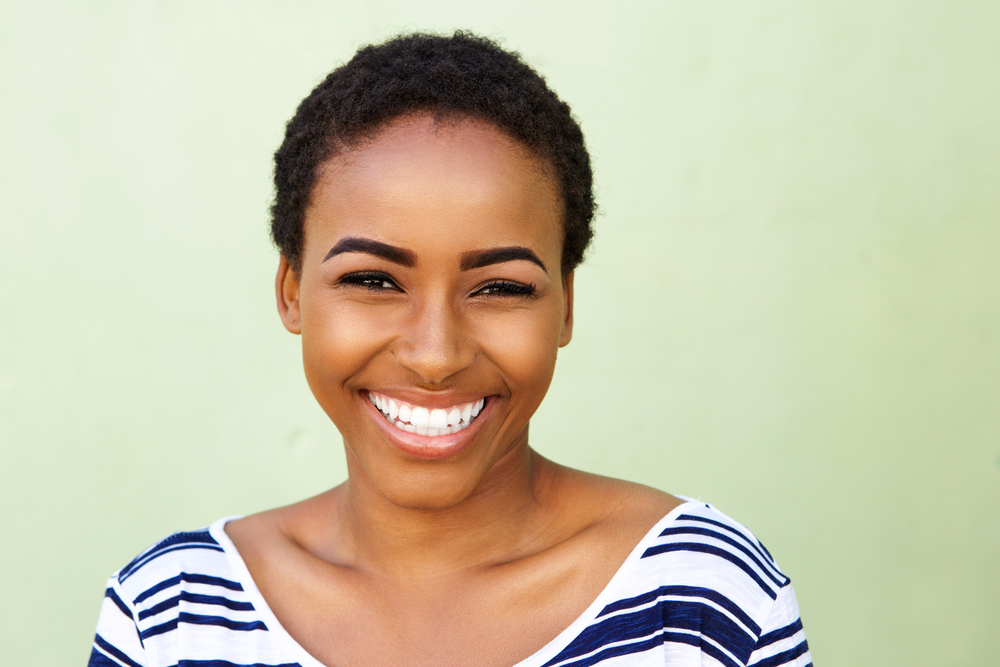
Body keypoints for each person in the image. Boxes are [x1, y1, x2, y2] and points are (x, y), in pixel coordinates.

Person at [88, 32, 811, 667]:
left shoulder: (699, 602)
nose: (435, 354)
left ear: (565, 303)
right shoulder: (172, 618)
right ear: (290, 290)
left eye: (499, 287)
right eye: (373, 279)